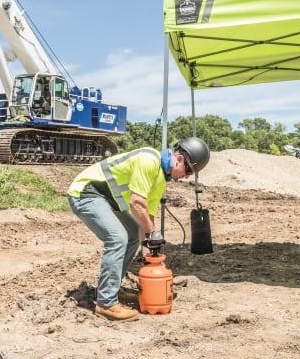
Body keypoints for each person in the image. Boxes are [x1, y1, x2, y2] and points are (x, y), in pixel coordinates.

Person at [67, 137, 210, 321]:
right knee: (117, 238)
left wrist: (153, 253)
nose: (187, 176)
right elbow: (136, 203)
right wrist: (152, 234)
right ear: (179, 159)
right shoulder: (149, 159)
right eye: (189, 169)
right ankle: (106, 304)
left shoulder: (160, 179)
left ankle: (111, 290)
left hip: (107, 199)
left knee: (132, 235)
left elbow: (147, 216)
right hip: (86, 192)